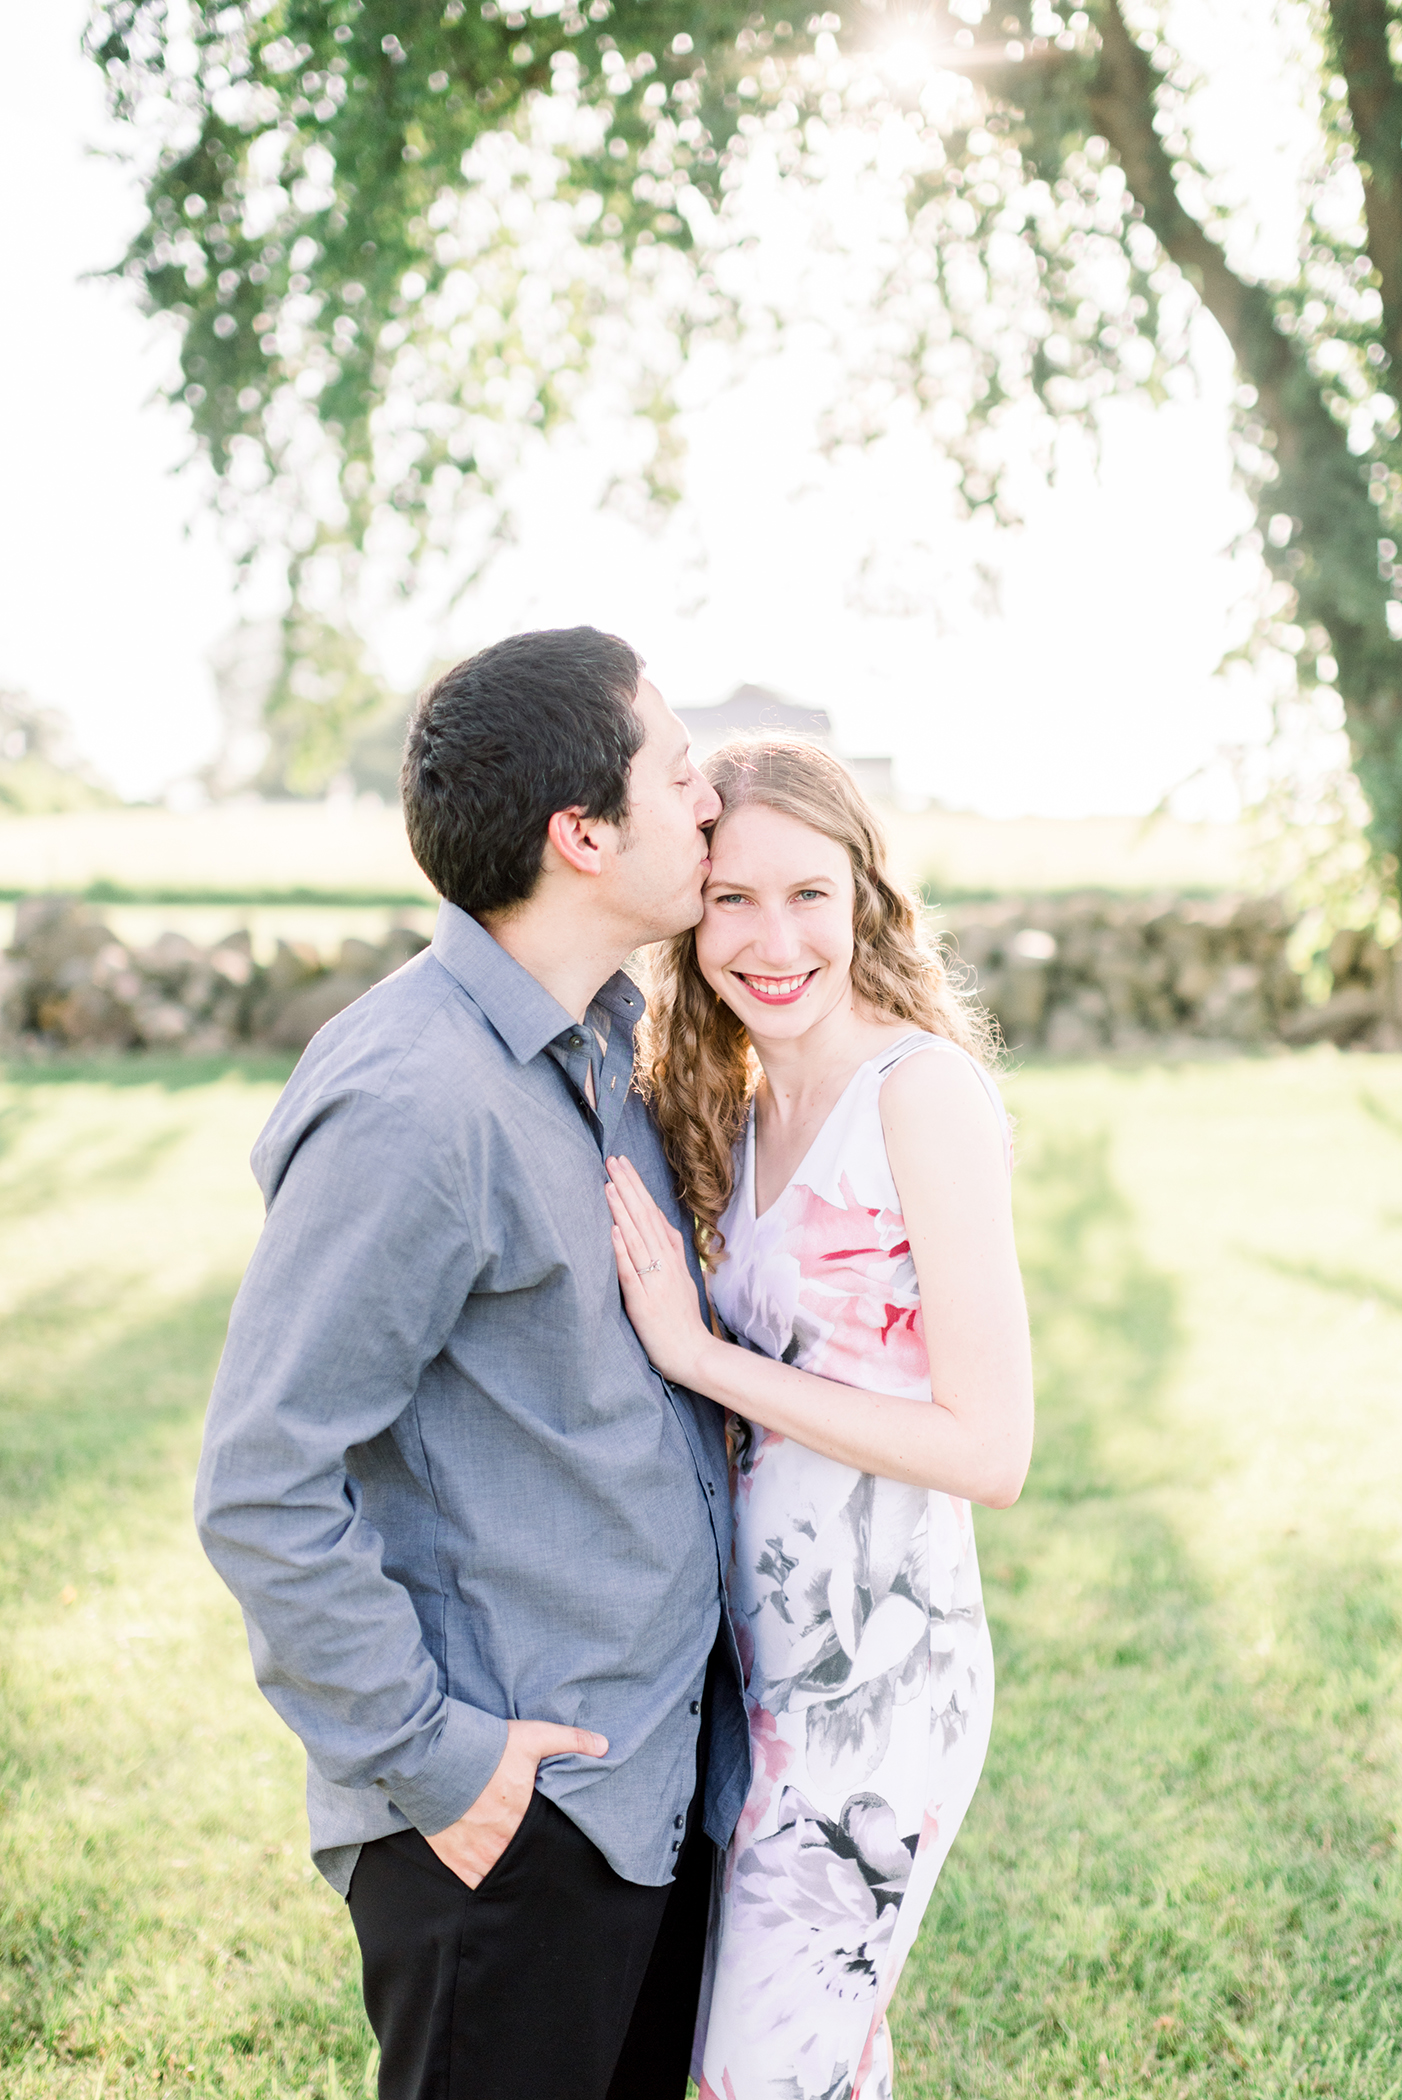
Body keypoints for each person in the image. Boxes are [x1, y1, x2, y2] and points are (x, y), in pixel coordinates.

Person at [194, 627, 751, 2100]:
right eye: (682, 775)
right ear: (583, 833)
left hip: (644, 1788)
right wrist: (438, 1762)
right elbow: (261, 1483)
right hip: (510, 1824)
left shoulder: (598, 1048)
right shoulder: (412, 1099)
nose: (712, 806)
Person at [603, 735, 1035, 2100]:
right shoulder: (731, 1105)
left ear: (865, 900)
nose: (770, 938)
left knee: (754, 2075)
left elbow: (989, 1448)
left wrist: (698, 1354)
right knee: (821, 2066)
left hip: (878, 1688)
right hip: (749, 1675)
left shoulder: (918, 1098)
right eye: (731, 897)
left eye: (808, 895)